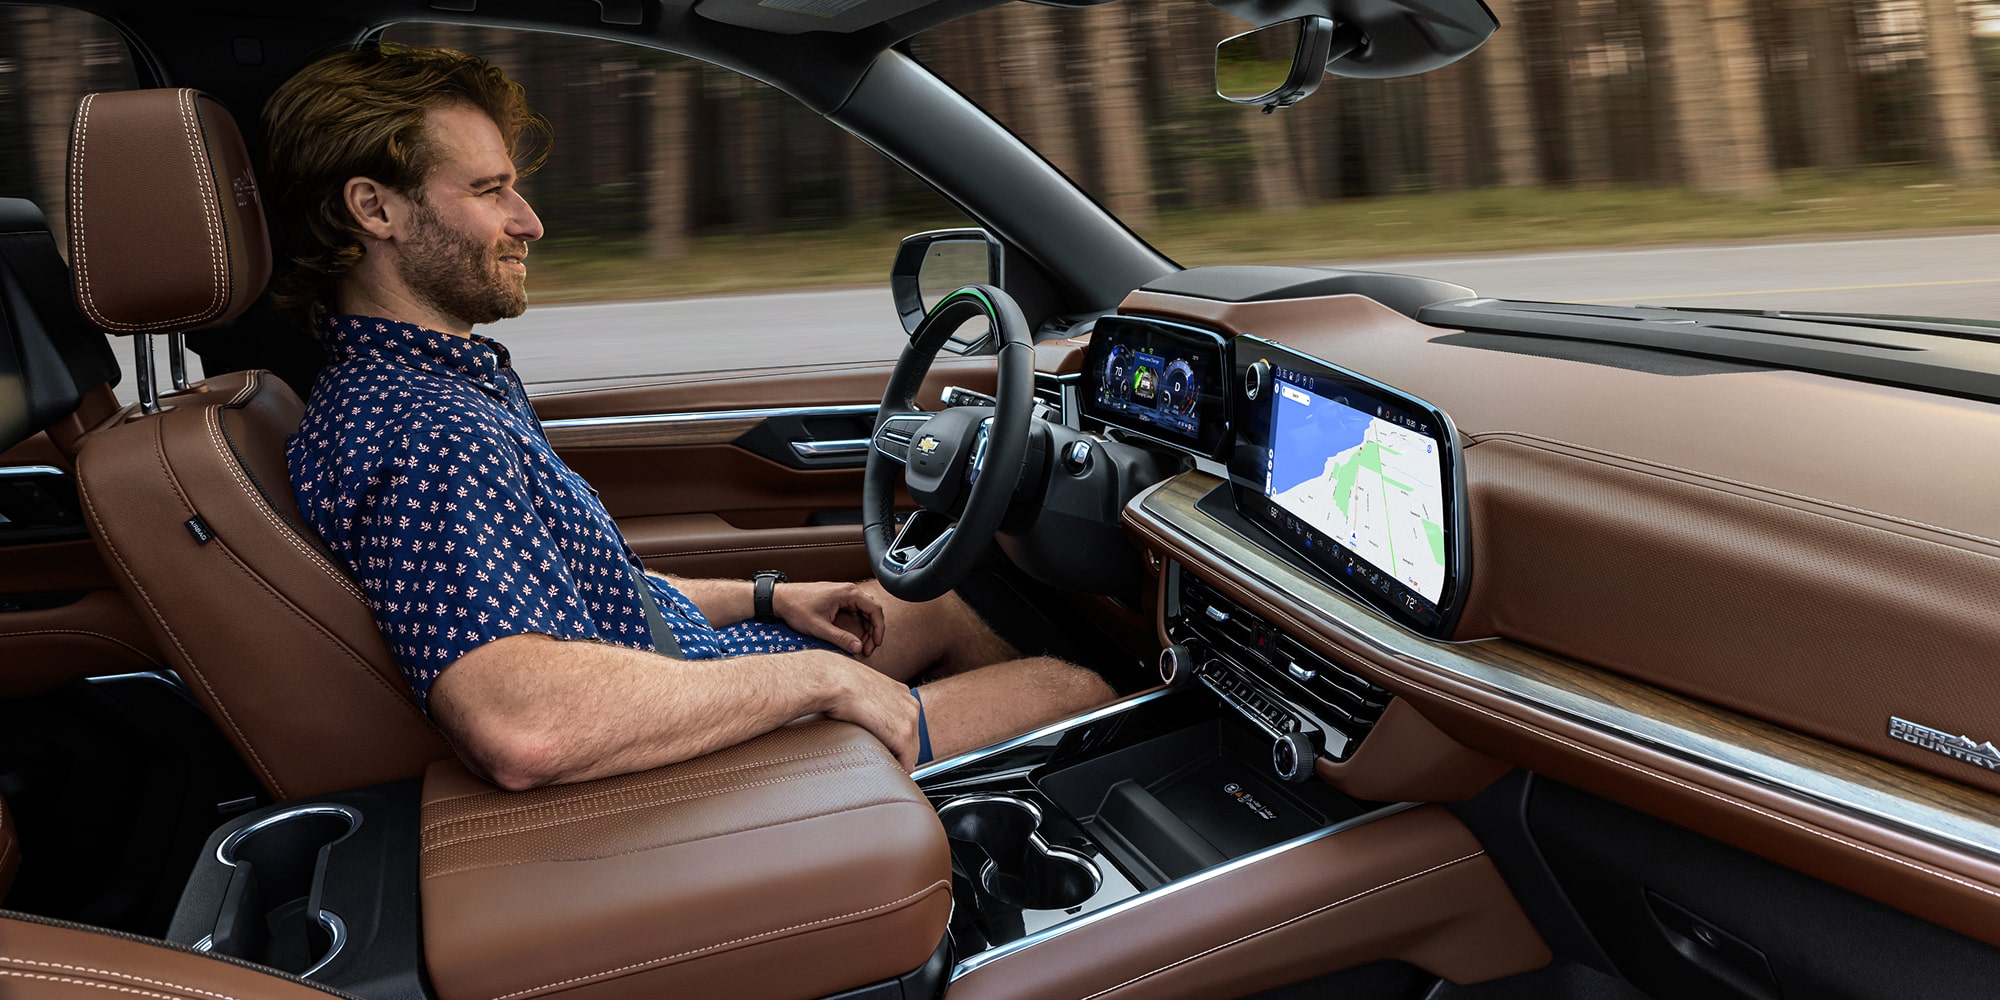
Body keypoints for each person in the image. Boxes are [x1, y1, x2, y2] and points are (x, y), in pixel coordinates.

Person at [268, 43, 1113, 790]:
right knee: (1067, 695)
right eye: (490, 191)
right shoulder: (424, 430)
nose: (530, 222)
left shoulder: (430, 386)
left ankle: (940, 816)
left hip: (670, 675)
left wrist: (769, 596)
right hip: (680, 758)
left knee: (933, 605)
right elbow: (524, 726)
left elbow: (591, 596)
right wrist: (823, 685)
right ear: (374, 209)